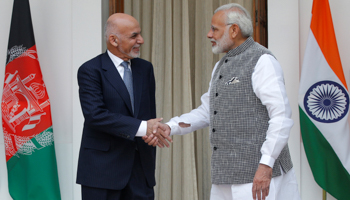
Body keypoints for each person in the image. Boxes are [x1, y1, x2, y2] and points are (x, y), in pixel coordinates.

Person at [144, 3, 301, 200]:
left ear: (234, 30)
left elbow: (281, 117)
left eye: (215, 29)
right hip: (224, 176)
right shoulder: (220, 65)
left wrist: (265, 165)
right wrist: (170, 126)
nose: (209, 34)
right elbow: (207, 111)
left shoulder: (262, 61)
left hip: (257, 176)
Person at [76, 13, 171, 200]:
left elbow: (148, 113)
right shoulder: (90, 70)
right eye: (134, 36)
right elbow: (95, 115)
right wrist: (144, 127)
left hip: (140, 170)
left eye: (140, 34)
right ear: (113, 40)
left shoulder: (145, 68)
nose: (141, 40)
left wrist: (152, 133)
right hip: (102, 172)